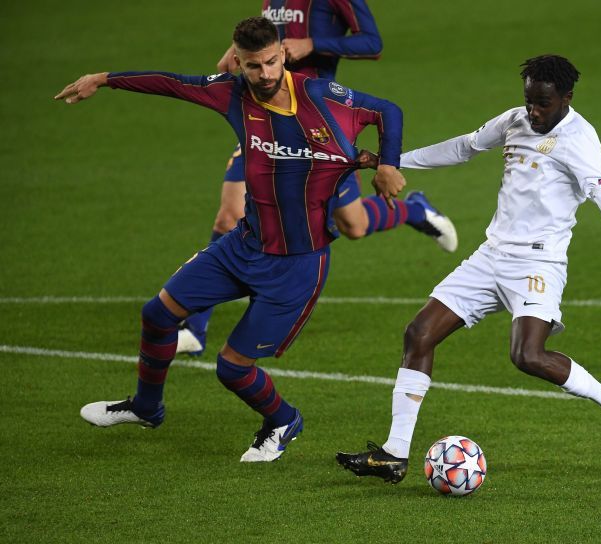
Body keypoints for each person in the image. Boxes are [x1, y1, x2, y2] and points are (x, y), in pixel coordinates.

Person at [336, 55, 601, 483]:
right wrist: (390, 160)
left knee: (527, 356)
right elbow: (463, 147)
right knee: (418, 334)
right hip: (491, 255)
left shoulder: (581, 141)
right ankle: (394, 454)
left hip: (539, 261)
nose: (533, 111)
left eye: (543, 104)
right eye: (529, 100)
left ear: (566, 98)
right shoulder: (515, 120)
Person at [55, 17, 409, 462]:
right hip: (242, 246)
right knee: (157, 316)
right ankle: (146, 407)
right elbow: (171, 83)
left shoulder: (321, 96)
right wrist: (103, 79)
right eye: (253, 66)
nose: (264, 75)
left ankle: (282, 420)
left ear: (283, 53)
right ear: (237, 61)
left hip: (296, 266)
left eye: (271, 62)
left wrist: (388, 162)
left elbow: (387, 110)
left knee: (232, 367)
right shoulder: (231, 93)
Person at [178, 0, 456, 357]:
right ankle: (195, 328)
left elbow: (372, 43)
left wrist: (312, 45)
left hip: (316, 129)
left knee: (353, 224)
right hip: (261, 121)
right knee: (229, 214)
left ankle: (414, 210)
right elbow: (240, 55)